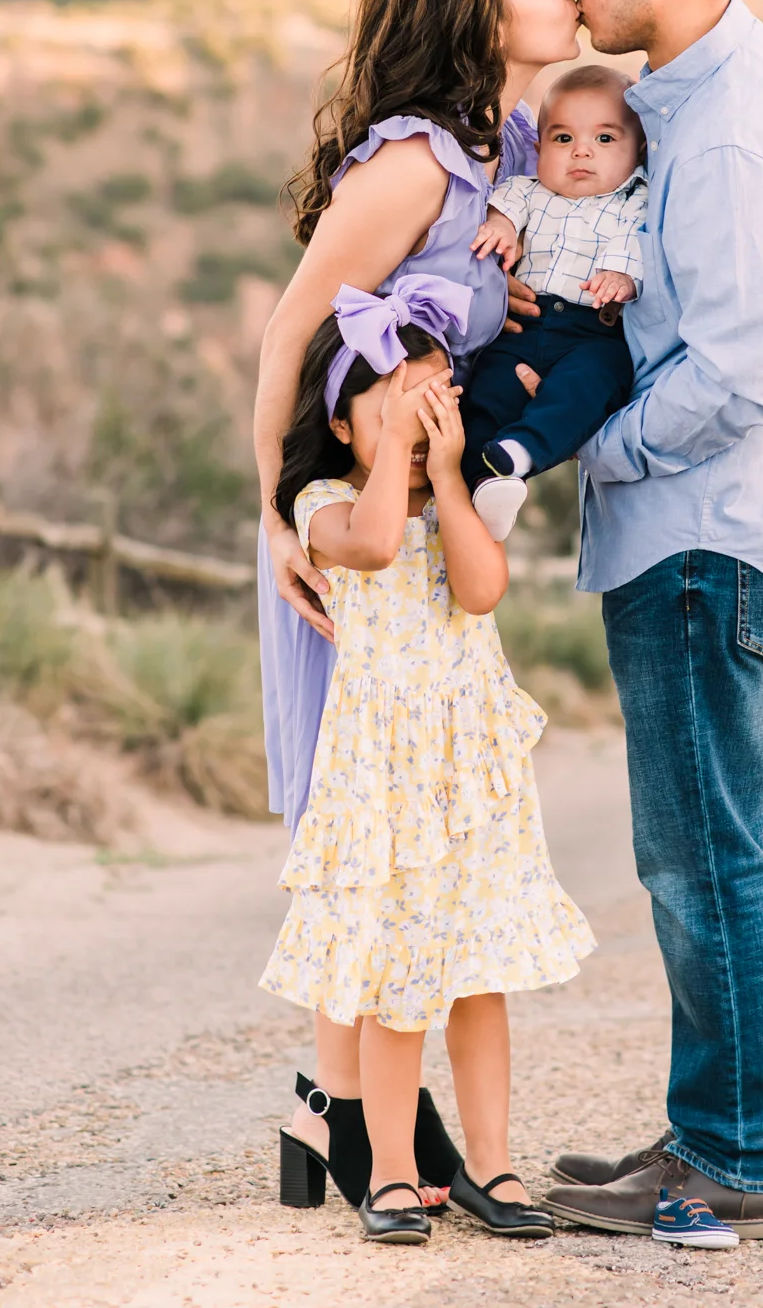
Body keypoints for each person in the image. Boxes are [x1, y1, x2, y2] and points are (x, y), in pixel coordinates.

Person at [254, 0, 582, 1210]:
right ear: (474, 5)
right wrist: (276, 519)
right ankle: (345, 1127)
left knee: (405, 850)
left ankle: (342, 1124)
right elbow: (290, 334)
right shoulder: (414, 166)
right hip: (352, 525)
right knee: (367, 857)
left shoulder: (504, 145)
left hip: (432, 523)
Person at [544, 0, 763, 1239]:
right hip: (717, 538)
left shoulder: (726, 133)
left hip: (703, 542)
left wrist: (591, 454)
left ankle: (733, 1156)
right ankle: (714, 1128)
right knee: (726, 847)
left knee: (705, 856)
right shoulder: (703, 94)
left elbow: (737, 373)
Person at [261, 287, 593, 1244]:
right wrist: (397, 456)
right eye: (391, 411)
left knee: (480, 974)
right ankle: (394, 1173)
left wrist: (447, 472)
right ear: (339, 421)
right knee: (398, 974)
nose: (415, 428)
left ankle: (491, 1164)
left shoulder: (456, 499)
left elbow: (481, 591)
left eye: (434, 401)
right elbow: (368, 544)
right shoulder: (323, 506)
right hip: (384, 775)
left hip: (473, 768)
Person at [460, 63, 647, 540]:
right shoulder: (527, 190)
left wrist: (621, 278)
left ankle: (519, 454)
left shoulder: (636, 198)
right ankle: (482, 481)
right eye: (563, 139)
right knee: (486, 394)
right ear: (539, 148)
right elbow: (504, 211)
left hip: (591, 331)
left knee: (591, 385)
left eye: (605, 139)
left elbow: (635, 242)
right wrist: (501, 228)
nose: (582, 150)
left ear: (637, 149)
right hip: (527, 324)